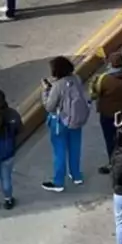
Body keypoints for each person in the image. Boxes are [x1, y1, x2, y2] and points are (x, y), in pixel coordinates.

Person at [41, 55, 90, 192]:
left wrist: (45, 91)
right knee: (75, 148)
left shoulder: (57, 86)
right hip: (76, 120)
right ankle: (76, 175)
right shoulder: (77, 79)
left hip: (60, 122)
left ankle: (58, 182)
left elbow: (49, 107)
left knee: (59, 152)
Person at [91, 52, 122, 173]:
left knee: (110, 138)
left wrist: (94, 82)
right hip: (120, 110)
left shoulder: (104, 79)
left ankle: (113, 163)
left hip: (107, 112)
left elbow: (94, 94)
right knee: (118, 135)